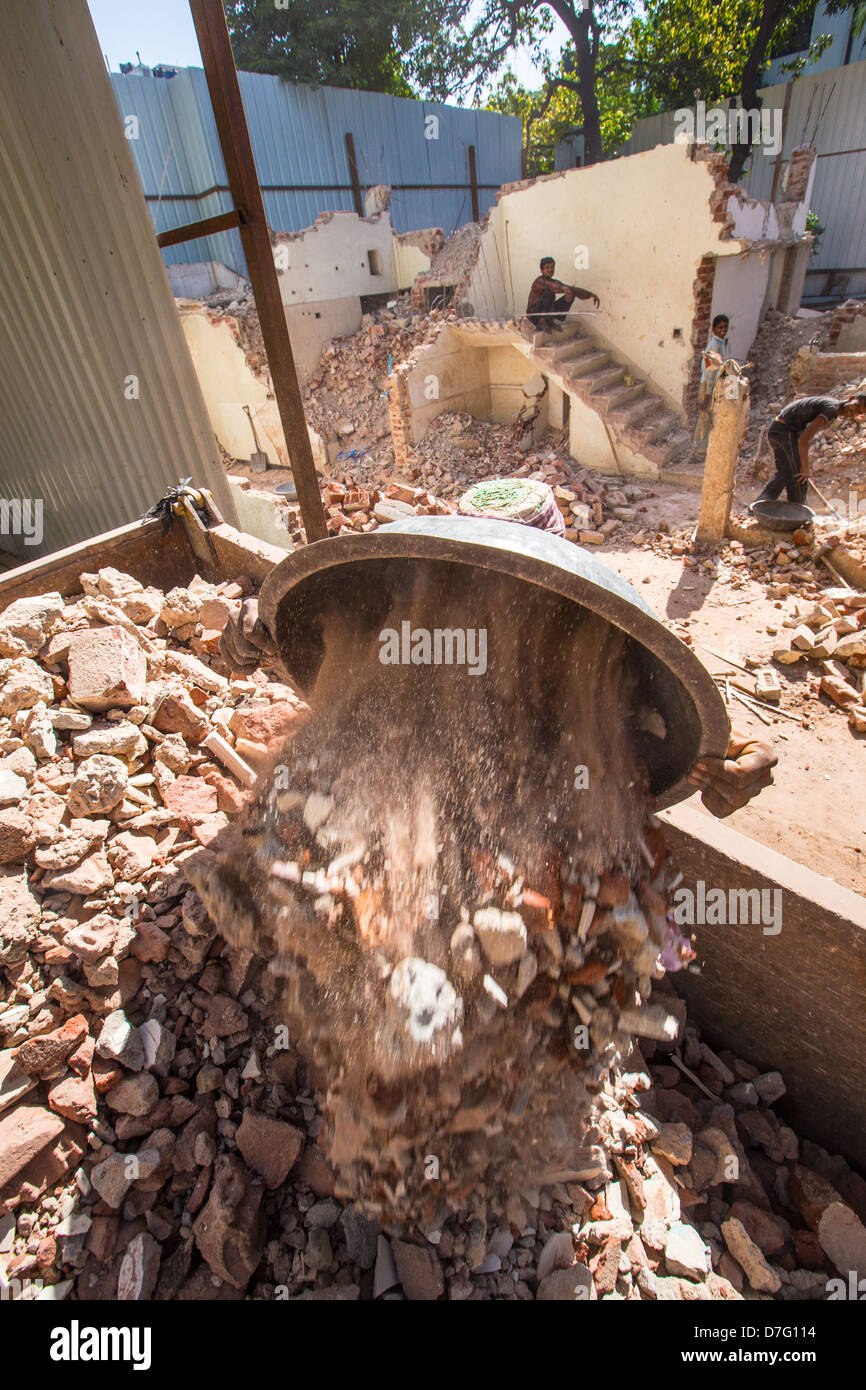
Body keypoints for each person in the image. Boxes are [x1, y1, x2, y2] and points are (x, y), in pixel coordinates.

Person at [754, 390, 866, 505]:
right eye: (855, 406)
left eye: (859, 412)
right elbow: (804, 440)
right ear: (851, 398)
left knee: (790, 472)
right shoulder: (831, 409)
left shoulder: (833, 408)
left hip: (783, 431)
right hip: (783, 431)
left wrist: (800, 464)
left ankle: (792, 509)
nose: (854, 411)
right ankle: (796, 510)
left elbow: (802, 432)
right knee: (797, 475)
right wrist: (805, 468)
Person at [525, 257, 599, 330]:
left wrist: (590, 294)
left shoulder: (554, 281)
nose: (550, 270)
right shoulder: (539, 281)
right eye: (547, 268)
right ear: (542, 270)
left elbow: (570, 288)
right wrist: (563, 288)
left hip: (544, 313)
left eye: (552, 267)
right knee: (549, 293)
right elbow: (551, 286)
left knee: (571, 294)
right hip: (534, 315)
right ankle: (542, 322)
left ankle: (549, 321)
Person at [694, 313, 731, 444]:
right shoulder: (715, 345)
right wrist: (708, 396)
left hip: (714, 386)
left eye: (725, 327)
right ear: (714, 329)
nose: (723, 330)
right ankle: (698, 451)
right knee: (704, 419)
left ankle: (704, 448)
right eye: (720, 327)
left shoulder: (721, 343)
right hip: (708, 386)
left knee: (709, 418)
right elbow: (710, 373)